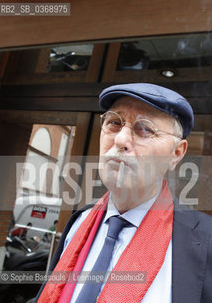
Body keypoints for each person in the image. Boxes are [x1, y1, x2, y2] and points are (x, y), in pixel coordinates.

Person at [36, 83, 212, 302]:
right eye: (114, 123)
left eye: (145, 129)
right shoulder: (80, 221)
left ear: (176, 154)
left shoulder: (204, 240)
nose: (120, 140)